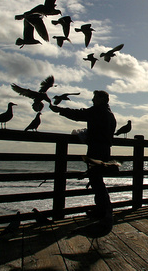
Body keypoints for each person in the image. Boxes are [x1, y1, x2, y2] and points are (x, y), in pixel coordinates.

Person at [50, 90, 117, 228]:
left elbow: (79, 114)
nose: (92, 100)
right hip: (105, 150)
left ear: (102, 99)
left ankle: (104, 210)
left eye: (94, 98)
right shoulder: (110, 115)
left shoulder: (98, 111)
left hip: (96, 150)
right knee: (97, 179)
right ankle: (103, 209)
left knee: (96, 180)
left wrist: (59, 110)